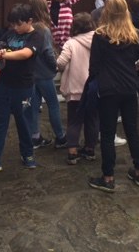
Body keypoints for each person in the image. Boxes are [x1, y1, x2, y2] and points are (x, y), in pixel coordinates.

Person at [87, 0, 139, 192]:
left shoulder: (100, 36)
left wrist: (97, 81)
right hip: (129, 87)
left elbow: (93, 67)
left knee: (108, 133)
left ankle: (108, 177)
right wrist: (135, 67)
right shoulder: (134, 35)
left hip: (108, 89)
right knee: (132, 129)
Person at [0, 3, 42, 174]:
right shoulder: (10, 33)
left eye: (19, 24)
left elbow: (25, 53)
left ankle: (28, 154)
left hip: (23, 87)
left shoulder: (36, 36)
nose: (15, 28)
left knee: (24, 123)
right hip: (3, 84)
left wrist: (2, 54)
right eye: (13, 24)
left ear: (29, 21)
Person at [56, 13, 98, 165]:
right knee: (92, 119)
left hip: (75, 88)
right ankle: (90, 149)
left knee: (74, 120)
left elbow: (60, 63)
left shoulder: (71, 43)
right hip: (93, 87)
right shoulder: (99, 40)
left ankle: (72, 151)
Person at [25, 0, 67, 149]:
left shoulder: (28, 28)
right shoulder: (43, 29)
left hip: (32, 73)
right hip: (44, 74)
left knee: (34, 106)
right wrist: (55, 66)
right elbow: (48, 52)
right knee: (53, 105)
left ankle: (34, 136)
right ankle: (60, 137)